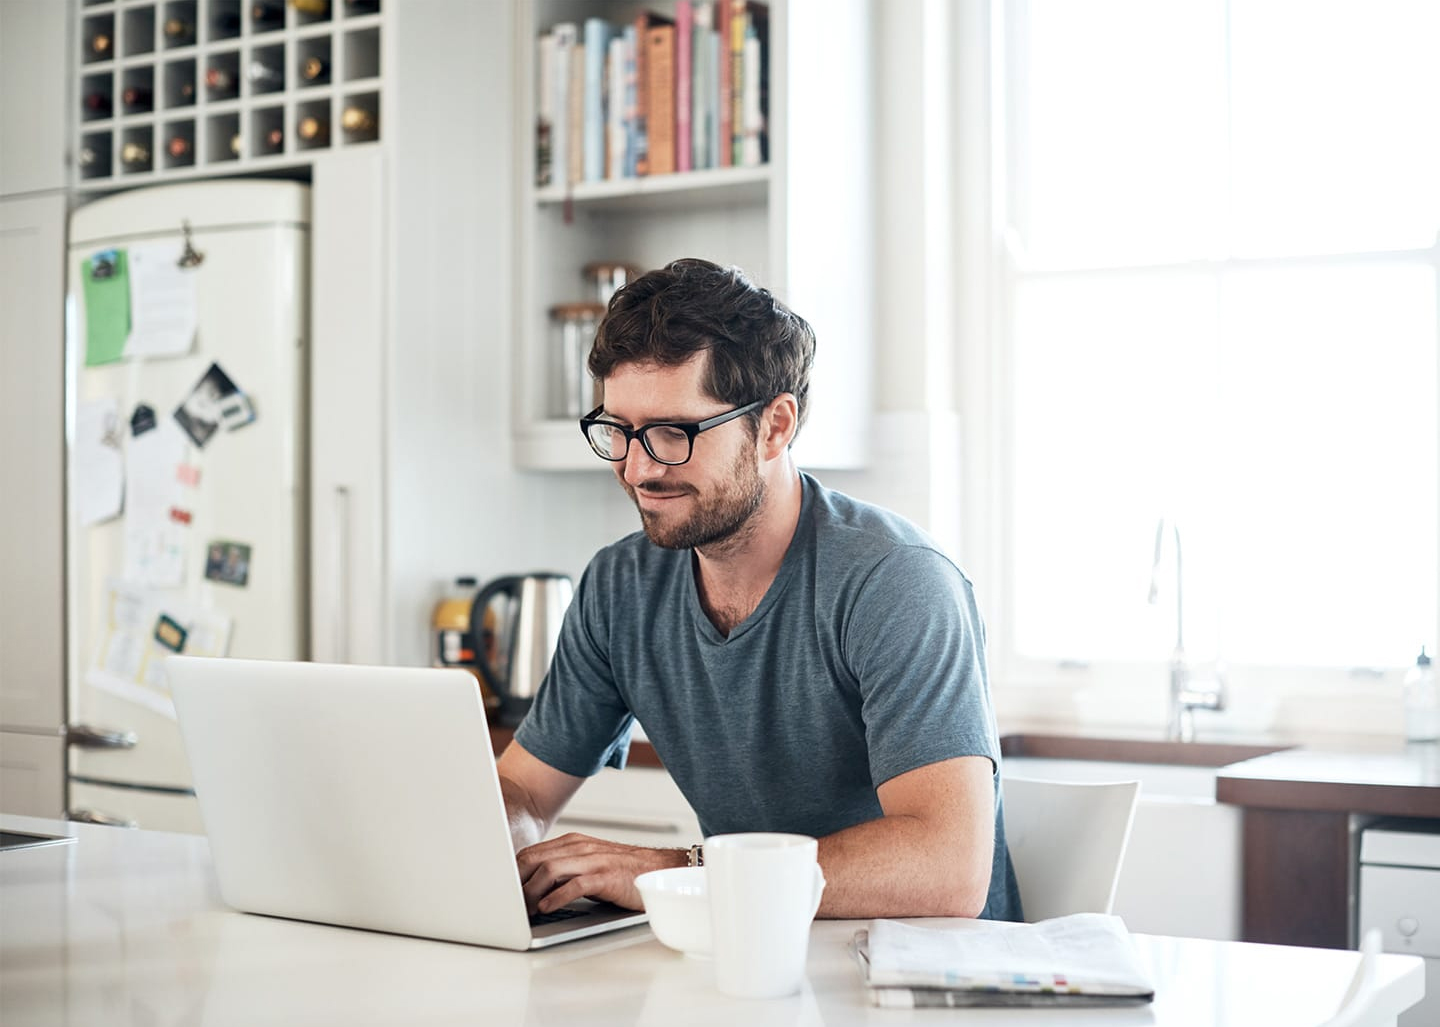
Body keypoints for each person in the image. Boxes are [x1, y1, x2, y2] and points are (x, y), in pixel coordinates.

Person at [497, 258, 1021, 922]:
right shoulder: (619, 587)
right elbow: (520, 787)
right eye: (620, 431)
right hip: (750, 957)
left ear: (775, 426)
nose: (636, 468)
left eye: (671, 433)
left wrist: (674, 871)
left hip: (921, 980)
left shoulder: (896, 582)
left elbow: (946, 867)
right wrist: (505, 850)